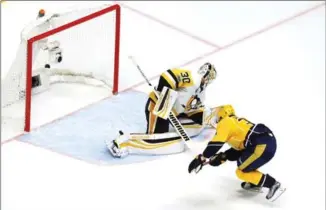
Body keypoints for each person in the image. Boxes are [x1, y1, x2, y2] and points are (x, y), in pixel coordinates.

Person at [106, 62, 218, 158]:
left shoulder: (201, 92)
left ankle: (207, 118)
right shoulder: (191, 78)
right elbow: (167, 76)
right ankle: (123, 142)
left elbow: (191, 107)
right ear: (205, 75)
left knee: (196, 126)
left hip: (173, 115)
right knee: (159, 140)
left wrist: (199, 115)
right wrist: (165, 100)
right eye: (209, 77)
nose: (208, 81)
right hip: (157, 109)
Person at [188, 105, 285, 201]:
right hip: (266, 143)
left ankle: (273, 184)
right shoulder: (235, 122)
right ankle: (255, 182)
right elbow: (241, 148)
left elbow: (215, 144)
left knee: (241, 171)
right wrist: (224, 156)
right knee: (246, 163)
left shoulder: (225, 122)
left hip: (261, 145)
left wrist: (201, 158)